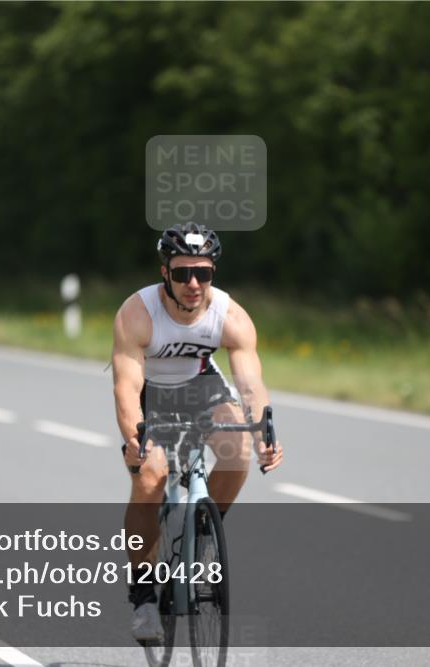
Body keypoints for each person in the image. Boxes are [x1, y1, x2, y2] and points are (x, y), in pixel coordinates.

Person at [111, 222, 284, 640]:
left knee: (236, 449)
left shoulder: (230, 316)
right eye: (183, 272)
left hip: (201, 386)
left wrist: (264, 431)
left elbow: (249, 382)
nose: (193, 283)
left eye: (203, 273)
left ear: (212, 274)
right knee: (150, 478)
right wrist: (134, 437)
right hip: (153, 391)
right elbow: (127, 385)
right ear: (164, 273)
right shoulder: (137, 313)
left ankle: (206, 533)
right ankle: (143, 594)